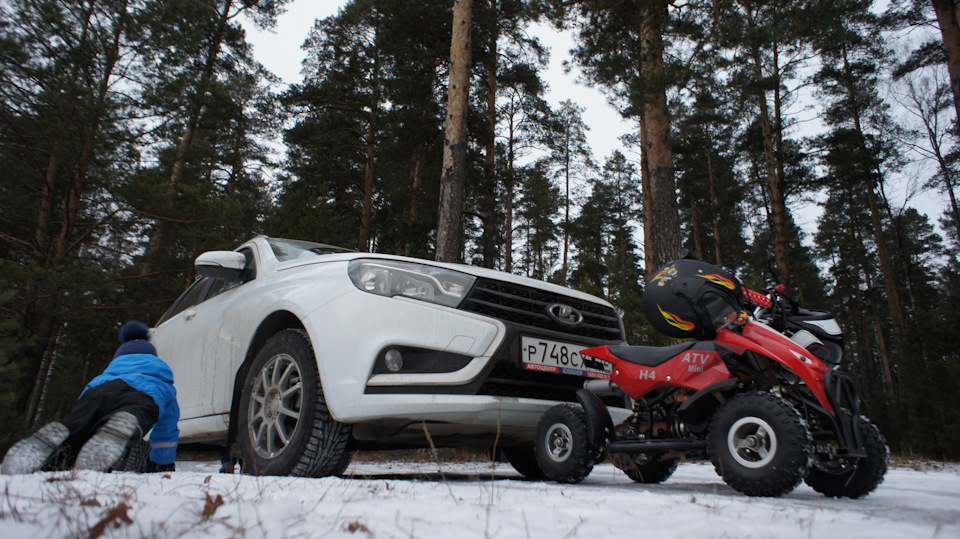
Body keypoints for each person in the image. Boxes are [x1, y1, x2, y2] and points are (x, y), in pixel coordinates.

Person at [2, 321, 179, 474]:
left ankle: (54, 452)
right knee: (133, 418)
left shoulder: (101, 378)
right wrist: (161, 463)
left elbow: (83, 403)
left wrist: (78, 420)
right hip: (143, 396)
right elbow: (166, 431)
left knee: (77, 428)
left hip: (100, 392)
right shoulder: (162, 383)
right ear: (153, 359)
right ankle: (122, 427)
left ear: (118, 359)